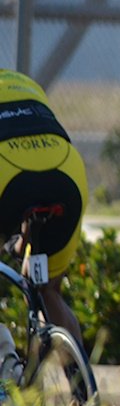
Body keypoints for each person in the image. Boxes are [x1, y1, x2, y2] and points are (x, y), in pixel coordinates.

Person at [0, 68, 92, 388]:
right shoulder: (22, 81)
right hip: (66, 177)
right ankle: (84, 400)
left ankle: (5, 366)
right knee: (48, 290)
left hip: (6, 179)